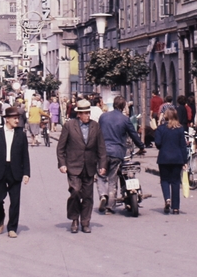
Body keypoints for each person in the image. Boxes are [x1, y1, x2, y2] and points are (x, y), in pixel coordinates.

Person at [56, 99, 104, 233]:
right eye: (85, 113)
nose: (88, 115)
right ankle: (74, 219)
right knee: (75, 191)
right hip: (73, 165)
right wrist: (62, 164)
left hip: (89, 166)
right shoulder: (69, 126)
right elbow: (60, 148)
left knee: (88, 196)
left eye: (88, 112)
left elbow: (101, 147)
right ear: (79, 114)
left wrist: (102, 164)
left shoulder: (95, 126)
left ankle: (85, 222)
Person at [0, 107, 31, 236]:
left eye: (18, 118)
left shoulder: (21, 135)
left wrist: (26, 173)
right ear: (7, 119)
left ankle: (12, 228)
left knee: (15, 201)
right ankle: (0, 217)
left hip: (15, 170)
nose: (17, 121)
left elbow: (25, 155)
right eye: (15, 118)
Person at [98, 97, 143, 214]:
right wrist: (141, 147)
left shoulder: (103, 117)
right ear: (123, 107)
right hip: (117, 152)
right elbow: (133, 134)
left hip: (103, 151)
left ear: (113, 104)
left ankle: (103, 195)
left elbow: (97, 133)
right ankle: (110, 207)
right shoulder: (125, 119)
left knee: (101, 176)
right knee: (113, 179)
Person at [153, 108, 189, 215]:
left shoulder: (161, 128)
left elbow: (158, 143)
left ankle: (167, 199)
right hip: (177, 159)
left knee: (164, 180)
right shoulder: (180, 129)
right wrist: (185, 161)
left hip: (164, 158)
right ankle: (176, 208)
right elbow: (183, 146)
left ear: (166, 116)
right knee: (175, 182)